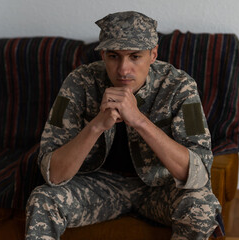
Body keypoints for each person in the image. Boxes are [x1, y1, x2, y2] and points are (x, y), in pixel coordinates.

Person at [25, 11, 223, 240]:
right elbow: (54, 174)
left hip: (159, 189)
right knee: (42, 199)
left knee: (203, 205)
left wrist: (139, 120)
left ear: (153, 54)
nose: (123, 70)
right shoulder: (79, 83)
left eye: (135, 56)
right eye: (113, 56)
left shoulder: (179, 86)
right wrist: (98, 125)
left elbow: (198, 175)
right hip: (99, 186)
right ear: (102, 55)